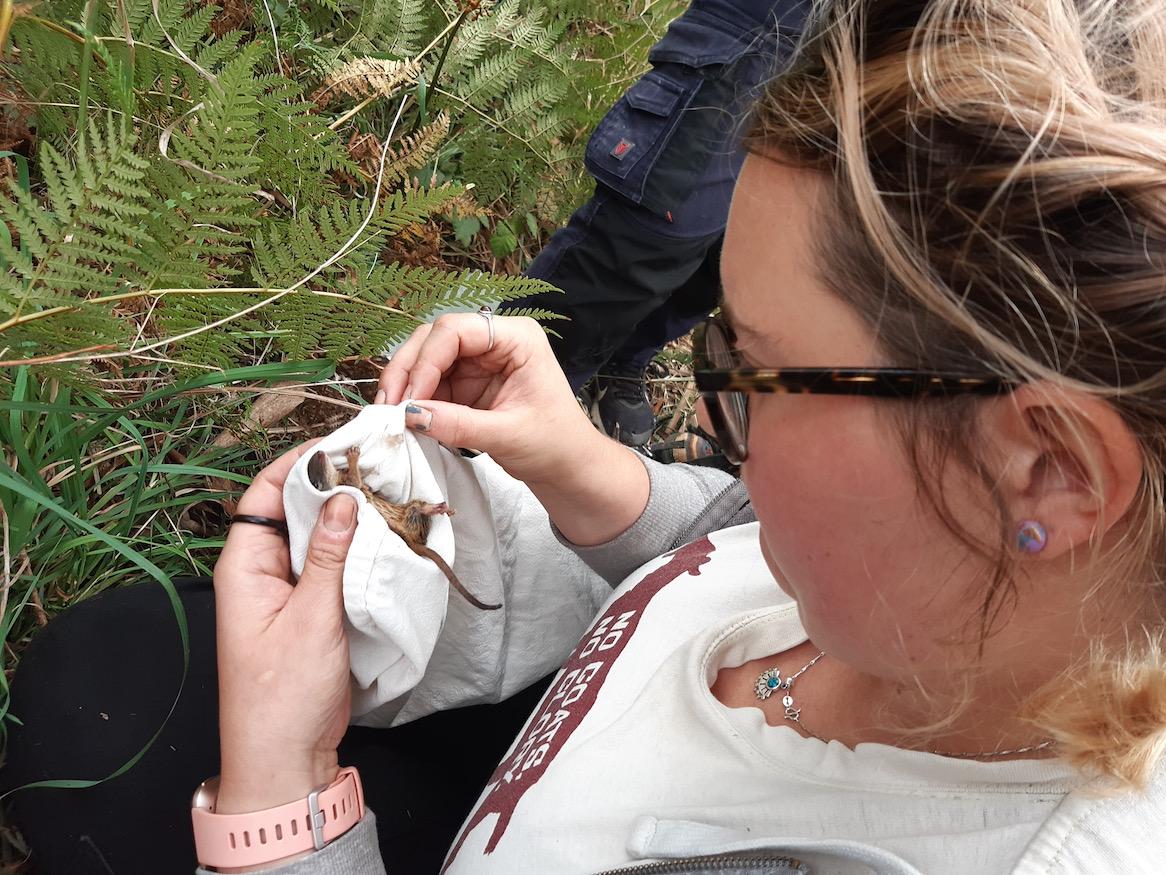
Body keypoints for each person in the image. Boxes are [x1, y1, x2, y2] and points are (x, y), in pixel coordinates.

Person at [9, 0, 1166, 871]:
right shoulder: (944, 585)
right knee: (114, 669)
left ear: (1051, 470)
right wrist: (602, 482)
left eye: (745, 367)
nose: (720, 413)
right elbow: (752, 543)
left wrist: (282, 794)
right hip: (574, 726)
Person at [515, 0, 811, 446]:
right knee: (645, 241)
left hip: (868, 78)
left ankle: (624, 358)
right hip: (757, 40)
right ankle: (519, 385)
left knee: (731, 260)